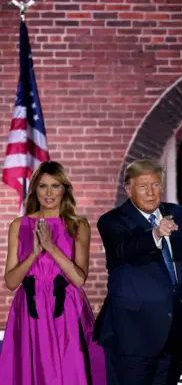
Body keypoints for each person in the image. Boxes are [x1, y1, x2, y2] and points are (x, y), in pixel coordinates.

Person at [93, 159, 182, 385]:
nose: (150, 193)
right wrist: (155, 234)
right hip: (131, 334)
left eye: (155, 185)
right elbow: (123, 251)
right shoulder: (111, 221)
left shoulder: (179, 215)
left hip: (174, 331)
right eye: (143, 186)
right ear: (128, 189)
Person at [0, 161, 106, 384]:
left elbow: (78, 278)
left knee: (68, 372)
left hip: (66, 308)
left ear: (64, 189)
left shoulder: (78, 225)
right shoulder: (19, 226)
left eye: (55, 186)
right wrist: (33, 254)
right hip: (30, 309)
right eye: (43, 186)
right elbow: (10, 282)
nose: (49, 193)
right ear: (35, 189)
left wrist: (50, 247)